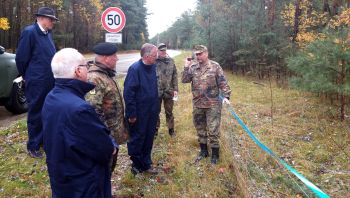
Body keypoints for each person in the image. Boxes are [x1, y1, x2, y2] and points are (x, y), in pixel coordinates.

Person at [42, 48, 116, 197]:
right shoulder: (80, 109)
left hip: (62, 177)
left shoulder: (51, 97)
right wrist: (112, 146)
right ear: (77, 71)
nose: (88, 69)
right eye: (85, 65)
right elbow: (104, 148)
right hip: (84, 183)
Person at [15, 7, 59, 158]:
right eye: (50, 19)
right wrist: (27, 76)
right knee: (35, 113)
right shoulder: (30, 32)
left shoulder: (47, 34)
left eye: (53, 19)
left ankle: (43, 141)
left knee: (47, 111)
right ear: (40, 18)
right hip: (36, 82)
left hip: (49, 81)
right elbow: (21, 58)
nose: (53, 22)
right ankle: (33, 146)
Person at [181, 45, 231, 164]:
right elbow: (184, 80)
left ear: (206, 53)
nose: (198, 56)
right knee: (200, 128)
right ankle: (203, 151)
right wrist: (186, 67)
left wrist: (227, 96)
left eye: (200, 54)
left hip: (212, 104)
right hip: (198, 104)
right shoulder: (193, 67)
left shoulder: (215, 66)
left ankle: (215, 155)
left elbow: (223, 82)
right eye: (196, 54)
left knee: (213, 130)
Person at [86, 42, 128, 173]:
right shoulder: (95, 78)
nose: (117, 59)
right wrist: (106, 138)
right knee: (101, 169)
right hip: (104, 137)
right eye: (114, 56)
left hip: (111, 135)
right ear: (105, 58)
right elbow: (93, 111)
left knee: (109, 167)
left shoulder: (105, 74)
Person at [123, 43, 160, 175]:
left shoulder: (154, 67)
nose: (157, 57)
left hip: (152, 111)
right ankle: (136, 165)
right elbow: (129, 93)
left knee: (149, 137)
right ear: (147, 56)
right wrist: (132, 114)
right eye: (155, 54)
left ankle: (146, 163)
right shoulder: (135, 69)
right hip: (139, 113)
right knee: (138, 138)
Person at [155, 43, 178, 137]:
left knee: (169, 112)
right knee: (156, 112)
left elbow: (175, 76)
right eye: (161, 51)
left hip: (169, 91)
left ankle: (171, 130)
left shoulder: (171, 61)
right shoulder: (154, 62)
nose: (163, 52)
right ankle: (155, 131)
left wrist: (176, 89)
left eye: (164, 50)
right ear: (157, 51)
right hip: (156, 91)